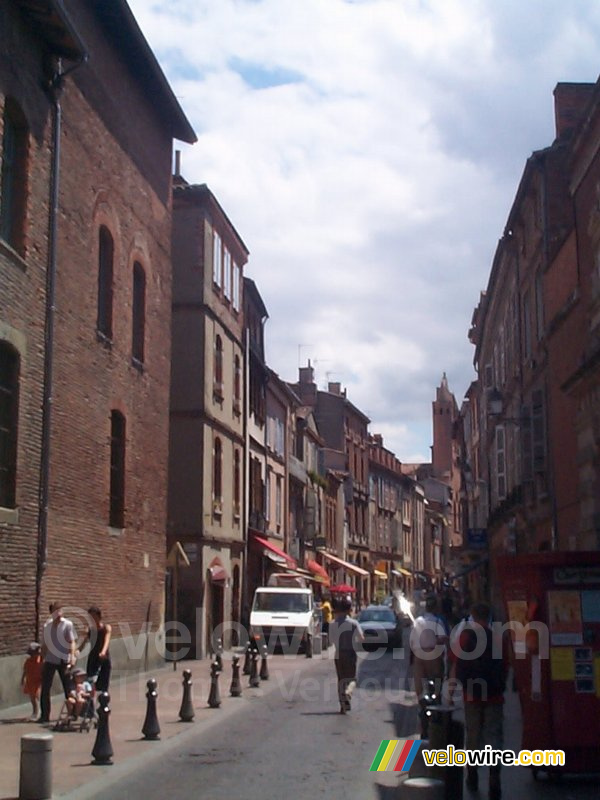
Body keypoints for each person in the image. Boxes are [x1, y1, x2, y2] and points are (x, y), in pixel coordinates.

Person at [453, 602, 506, 800]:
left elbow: (457, 661)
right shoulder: (498, 637)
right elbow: (506, 664)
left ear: (474, 616)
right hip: (494, 695)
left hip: (472, 695)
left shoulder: (466, 636)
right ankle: (494, 782)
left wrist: (458, 687)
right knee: (494, 737)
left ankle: (472, 776)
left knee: (473, 736)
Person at [39, 602, 76, 723]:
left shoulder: (67, 624)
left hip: (63, 659)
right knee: (45, 688)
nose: (59, 613)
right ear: (51, 613)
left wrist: (71, 656)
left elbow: (71, 642)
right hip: (50, 660)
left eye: (60, 610)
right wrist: (41, 660)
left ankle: (73, 713)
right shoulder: (47, 626)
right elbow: (45, 645)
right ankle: (45, 715)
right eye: (56, 611)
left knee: (68, 687)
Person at [410, 595, 448, 704]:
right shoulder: (436, 621)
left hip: (418, 654)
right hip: (433, 654)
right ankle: (437, 697)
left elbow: (412, 640)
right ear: (435, 608)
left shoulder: (417, 621)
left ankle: (421, 700)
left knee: (419, 678)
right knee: (437, 676)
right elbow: (441, 638)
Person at [329, 597, 364, 713]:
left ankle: (342, 706)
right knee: (352, 678)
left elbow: (331, 640)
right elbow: (361, 638)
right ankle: (348, 691)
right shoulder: (354, 623)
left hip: (338, 653)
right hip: (350, 652)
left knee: (341, 679)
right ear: (350, 609)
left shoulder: (333, 624)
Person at [79, 606, 112, 692]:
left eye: (93, 617)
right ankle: (91, 703)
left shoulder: (106, 628)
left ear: (98, 616)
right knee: (90, 683)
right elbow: (83, 644)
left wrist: (103, 652)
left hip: (103, 658)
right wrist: (76, 652)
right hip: (93, 659)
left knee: (104, 683)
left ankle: (104, 702)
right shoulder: (90, 630)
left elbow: (106, 641)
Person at [21, 642, 43, 721]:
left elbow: (43, 670)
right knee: (32, 698)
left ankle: (38, 712)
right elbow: (25, 670)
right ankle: (34, 712)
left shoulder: (40, 660)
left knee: (37, 696)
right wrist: (23, 679)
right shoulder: (28, 661)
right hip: (30, 681)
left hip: (37, 681)